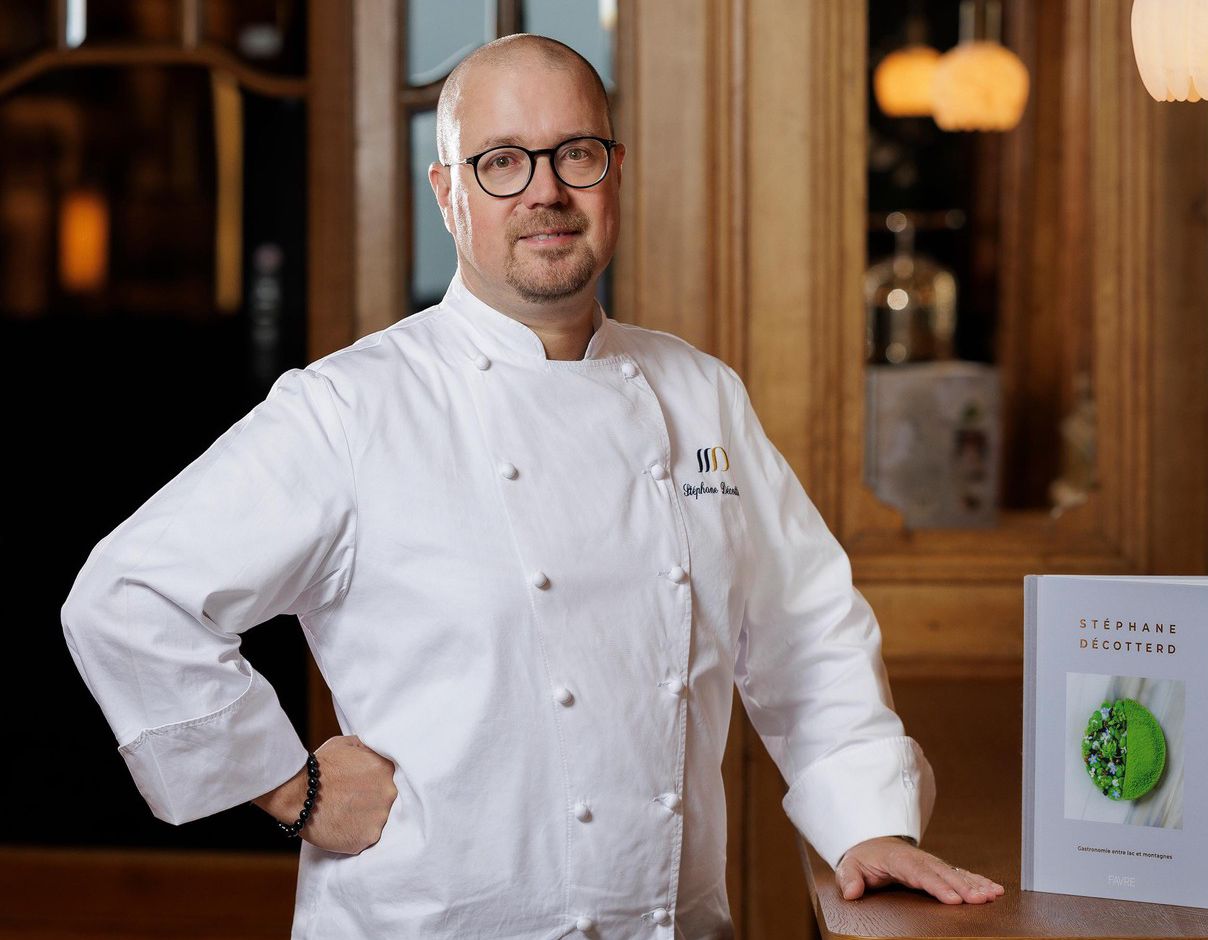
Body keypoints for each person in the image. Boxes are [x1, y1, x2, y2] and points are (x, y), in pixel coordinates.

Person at [60, 33, 1004, 939]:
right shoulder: (353, 407)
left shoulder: (699, 392)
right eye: (502, 161)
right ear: (448, 193)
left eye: (576, 155)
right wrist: (285, 784)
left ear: (617, 172)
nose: (546, 191)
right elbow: (128, 596)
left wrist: (866, 821)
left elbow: (805, 629)